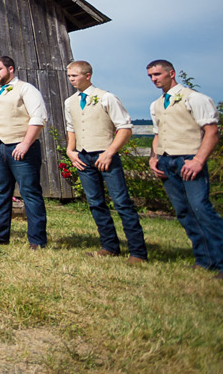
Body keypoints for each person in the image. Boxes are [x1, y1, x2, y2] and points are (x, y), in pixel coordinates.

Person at [64, 60, 147, 263]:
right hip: (83, 157)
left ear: (88, 75)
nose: (71, 79)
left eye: (74, 75)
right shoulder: (70, 102)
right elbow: (71, 129)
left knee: (121, 202)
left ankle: (137, 252)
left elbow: (125, 128)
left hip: (105, 155)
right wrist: (70, 151)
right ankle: (109, 246)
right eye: (69, 76)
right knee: (95, 203)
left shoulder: (106, 97)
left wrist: (110, 152)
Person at [146, 59, 223, 274]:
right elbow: (158, 134)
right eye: (151, 76)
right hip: (166, 161)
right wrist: (154, 158)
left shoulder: (195, 99)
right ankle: (204, 258)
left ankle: (221, 259)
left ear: (171, 73)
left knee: (201, 208)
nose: (154, 79)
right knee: (183, 211)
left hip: (189, 159)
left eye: (158, 74)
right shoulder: (156, 104)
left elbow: (211, 132)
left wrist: (199, 160)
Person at [0, 55, 48, 249]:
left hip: (21, 148)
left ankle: (37, 240)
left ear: (11, 69)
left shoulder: (26, 89)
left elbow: (38, 118)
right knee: (0, 192)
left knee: (30, 192)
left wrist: (25, 143)